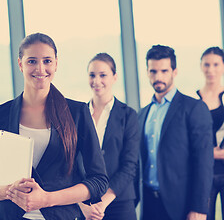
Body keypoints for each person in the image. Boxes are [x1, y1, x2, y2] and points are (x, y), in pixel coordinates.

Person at [0, 33, 109, 220]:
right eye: (32, 61)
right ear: (20, 64)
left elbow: (98, 181)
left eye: (47, 61)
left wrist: (47, 199)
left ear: (56, 64)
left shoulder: (77, 113)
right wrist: (9, 191)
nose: (40, 68)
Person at [138, 44, 213, 220]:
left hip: (182, 205)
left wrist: (199, 208)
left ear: (174, 71)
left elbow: (203, 161)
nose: (158, 77)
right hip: (148, 204)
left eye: (164, 71)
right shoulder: (142, 114)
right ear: (147, 72)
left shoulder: (194, 108)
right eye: (153, 71)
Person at [78, 53, 140, 220]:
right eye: (92, 75)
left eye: (103, 75)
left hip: (119, 201)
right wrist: (82, 205)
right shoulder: (79, 114)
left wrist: (103, 202)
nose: (96, 81)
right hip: (85, 203)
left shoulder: (128, 115)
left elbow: (130, 165)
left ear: (114, 77)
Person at [196, 46, 224, 220]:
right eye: (207, 65)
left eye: (215, 64)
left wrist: (209, 153)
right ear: (201, 66)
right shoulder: (194, 101)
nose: (211, 70)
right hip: (204, 174)